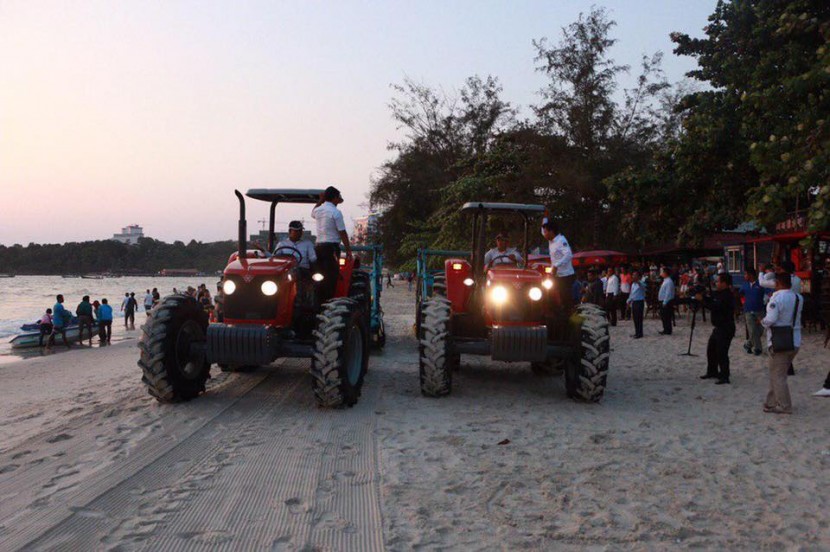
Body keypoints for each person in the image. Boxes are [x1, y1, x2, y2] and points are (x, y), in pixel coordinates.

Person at [760, 272, 803, 414]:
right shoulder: (798, 297)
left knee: (778, 375)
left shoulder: (776, 298)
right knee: (778, 372)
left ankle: (784, 405)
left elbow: (771, 319)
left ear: (777, 283)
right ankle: (771, 402)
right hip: (795, 339)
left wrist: (762, 322)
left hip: (779, 341)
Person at [311, 186, 353, 304]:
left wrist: (321, 200)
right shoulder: (336, 212)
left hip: (318, 247)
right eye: (338, 197)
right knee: (331, 276)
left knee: (319, 275)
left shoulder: (318, 210)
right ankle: (328, 302)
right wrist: (348, 250)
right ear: (334, 198)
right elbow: (342, 232)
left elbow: (313, 212)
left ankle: (317, 301)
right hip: (331, 248)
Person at [697, 273, 736, 384]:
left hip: (726, 327)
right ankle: (712, 371)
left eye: (718, 281)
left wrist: (702, 300)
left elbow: (715, 306)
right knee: (711, 349)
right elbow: (712, 300)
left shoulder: (727, 295)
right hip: (718, 327)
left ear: (724, 283)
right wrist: (703, 297)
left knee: (721, 352)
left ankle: (724, 376)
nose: (716, 283)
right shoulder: (719, 293)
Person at [541, 211, 575, 313]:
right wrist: (545, 218)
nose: (544, 234)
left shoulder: (561, 240)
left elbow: (568, 255)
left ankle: (568, 315)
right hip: (557, 275)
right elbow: (542, 231)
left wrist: (556, 265)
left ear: (551, 232)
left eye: (546, 232)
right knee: (550, 295)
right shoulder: (550, 241)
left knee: (565, 298)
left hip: (566, 275)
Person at [739, 267, 766, 356]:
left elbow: (768, 294)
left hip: (760, 311)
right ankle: (758, 349)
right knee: (753, 330)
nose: (744, 276)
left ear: (750, 275)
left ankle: (748, 344)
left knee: (760, 330)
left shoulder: (761, 284)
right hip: (748, 310)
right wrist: (743, 302)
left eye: (745, 274)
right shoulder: (744, 284)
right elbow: (740, 294)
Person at [627, 270, 646, 338]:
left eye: (635, 275)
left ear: (639, 276)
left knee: (639, 318)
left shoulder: (641, 283)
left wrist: (638, 281)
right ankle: (637, 332)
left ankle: (640, 333)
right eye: (633, 275)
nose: (633, 276)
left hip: (639, 302)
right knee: (635, 318)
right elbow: (632, 294)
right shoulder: (633, 284)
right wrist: (628, 300)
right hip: (634, 302)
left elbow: (643, 286)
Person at [658, 267, 675, 335]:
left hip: (666, 301)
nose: (661, 273)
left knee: (666, 316)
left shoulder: (668, 281)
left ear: (665, 273)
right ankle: (665, 329)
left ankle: (667, 330)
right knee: (664, 316)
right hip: (663, 300)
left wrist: (665, 302)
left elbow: (668, 293)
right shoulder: (665, 280)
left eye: (662, 272)